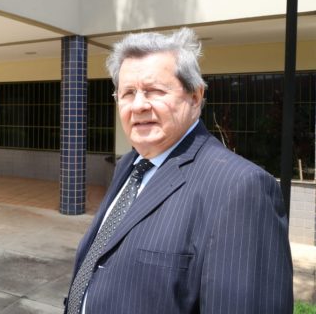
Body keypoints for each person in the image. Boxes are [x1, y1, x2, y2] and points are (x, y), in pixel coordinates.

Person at [64, 28, 293, 314]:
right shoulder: (129, 165)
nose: (139, 105)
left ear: (195, 97)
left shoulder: (241, 187)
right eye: (128, 93)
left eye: (155, 91)